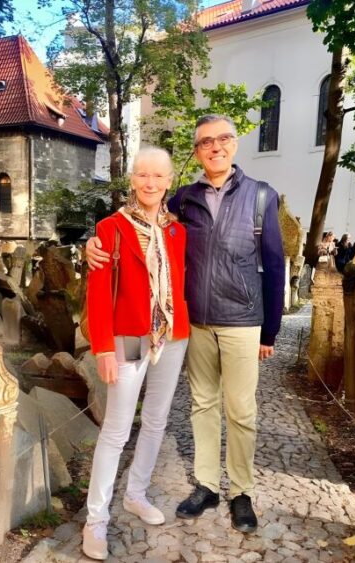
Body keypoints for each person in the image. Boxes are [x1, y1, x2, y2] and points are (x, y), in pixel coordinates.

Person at [87, 114, 285, 534]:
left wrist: (270, 330)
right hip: (178, 327)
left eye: (223, 139)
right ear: (196, 153)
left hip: (234, 321)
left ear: (234, 144)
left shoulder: (261, 197)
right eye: (205, 142)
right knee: (198, 407)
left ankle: (241, 492)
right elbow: (118, 254)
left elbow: (273, 264)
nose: (215, 147)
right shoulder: (181, 202)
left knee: (239, 410)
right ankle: (204, 486)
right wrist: (90, 245)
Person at [82, 147, 190, 560]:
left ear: (167, 183)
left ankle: (136, 494)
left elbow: (180, 282)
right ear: (132, 180)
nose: (149, 182)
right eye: (142, 175)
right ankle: (96, 521)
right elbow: (97, 290)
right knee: (115, 430)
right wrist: (103, 348)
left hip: (172, 336)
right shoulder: (110, 228)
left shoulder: (179, 232)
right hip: (126, 338)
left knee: (157, 420)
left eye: (157, 176)